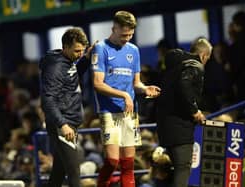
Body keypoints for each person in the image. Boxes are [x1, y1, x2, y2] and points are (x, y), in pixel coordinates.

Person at [91, 10, 161, 187]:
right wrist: (123, 95)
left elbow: (136, 83)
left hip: (129, 112)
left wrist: (145, 88)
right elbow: (98, 84)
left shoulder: (134, 50)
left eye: (130, 34)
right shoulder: (101, 49)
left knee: (128, 164)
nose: (127, 38)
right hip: (109, 112)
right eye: (124, 34)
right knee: (112, 161)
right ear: (113, 28)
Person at [39, 27, 94, 187]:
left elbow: (71, 76)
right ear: (65, 47)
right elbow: (47, 99)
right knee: (74, 172)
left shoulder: (68, 61)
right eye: (77, 51)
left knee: (58, 172)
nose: (80, 54)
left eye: (82, 51)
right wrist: (62, 124)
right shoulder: (56, 67)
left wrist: (86, 58)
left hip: (69, 122)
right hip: (63, 124)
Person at [156, 37, 212, 187]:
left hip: (164, 125)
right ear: (204, 55)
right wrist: (194, 111)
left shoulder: (175, 65)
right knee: (183, 168)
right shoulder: (195, 65)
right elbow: (184, 85)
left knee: (173, 169)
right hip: (180, 127)